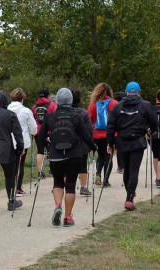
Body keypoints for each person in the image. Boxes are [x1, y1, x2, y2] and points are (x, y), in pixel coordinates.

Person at [38, 88, 97, 226]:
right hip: (74, 155)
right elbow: (86, 136)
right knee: (70, 185)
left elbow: (40, 138)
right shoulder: (76, 116)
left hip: (55, 155)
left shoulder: (50, 116)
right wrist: (94, 147)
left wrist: (48, 144)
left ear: (57, 100)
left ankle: (58, 206)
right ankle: (67, 217)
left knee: (58, 182)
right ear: (70, 101)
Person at [107, 81, 157, 210]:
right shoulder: (145, 105)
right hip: (138, 141)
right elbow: (154, 122)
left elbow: (111, 126)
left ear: (126, 92)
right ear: (139, 92)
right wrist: (152, 131)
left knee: (127, 169)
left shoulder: (117, 106)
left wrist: (110, 143)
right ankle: (129, 199)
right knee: (134, 170)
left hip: (122, 141)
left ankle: (129, 194)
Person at [8, 88, 37, 196]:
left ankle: (11, 186)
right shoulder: (26, 111)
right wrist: (33, 132)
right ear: (22, 99)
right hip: (22, 142)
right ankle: (17, 188)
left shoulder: (6, 109)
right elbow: (34, 128)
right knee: (20, 165)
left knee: (11, 165)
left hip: (8, 142)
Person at [88, 83, 118, 186]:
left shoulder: (93, 104)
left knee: (100, 155)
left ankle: (98, 174)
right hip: (110, 135)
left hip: (97, 135)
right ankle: (105, 180)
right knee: (108, 156)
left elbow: (89, 119)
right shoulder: (114, 103)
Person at [31, 88, 57, 178]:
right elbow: (55, 117)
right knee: (51, 150)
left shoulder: (34, 106)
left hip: (38, 132)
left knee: (40, 151)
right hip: (49, 131)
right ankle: (52, 170)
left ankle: (40, 173)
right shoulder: (52, 105)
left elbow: (33, 117)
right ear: (48, 95)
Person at [71, 89, 92, 196]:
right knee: (83, 165)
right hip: (81, 144)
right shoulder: (83, 112)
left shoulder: (63, 111)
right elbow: (89, 130)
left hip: (67, 144)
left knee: (67, 165)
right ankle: (83, 187)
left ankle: (66, 185)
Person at [114, 91, 126, 174]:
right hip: (122, 131)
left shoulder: (115, 106)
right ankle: (123, 166)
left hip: (115, 132)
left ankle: (120, 166)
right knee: (124, 149)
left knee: (118, 150)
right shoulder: (123, 107)